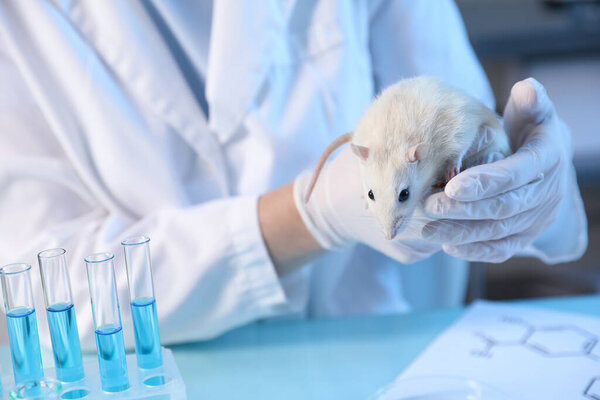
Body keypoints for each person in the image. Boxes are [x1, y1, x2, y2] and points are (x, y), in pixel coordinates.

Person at [0, 0, 586, 348]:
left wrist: (530, 187)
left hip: (384, 349)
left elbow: (475, 146)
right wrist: (308, 216)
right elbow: (39, 290)